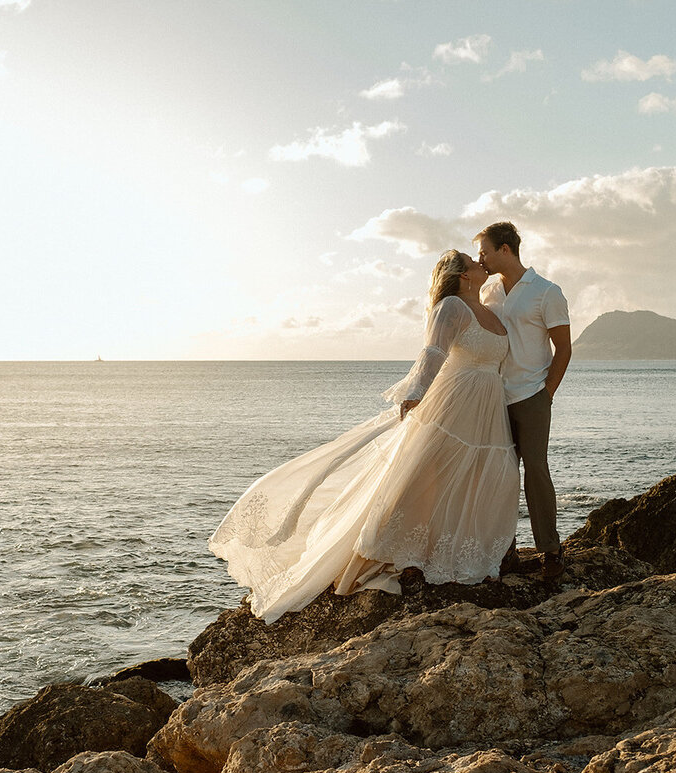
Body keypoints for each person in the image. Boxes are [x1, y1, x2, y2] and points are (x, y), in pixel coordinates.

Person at [210, 250, 519, 623]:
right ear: (461, 275)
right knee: (425, 475)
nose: (480, 264)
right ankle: (396, 553)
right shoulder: (452, 306)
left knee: (483, 475)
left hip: (487, 407)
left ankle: (459, 550)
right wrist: (415, 393)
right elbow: (433, 351)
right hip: (454, 403)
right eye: (473, 261)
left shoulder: (493, 307)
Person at [475, 222, 571, 579]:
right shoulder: (488, 292)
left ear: (505, 249)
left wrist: (546, 393)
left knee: (536, 473)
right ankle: (505, 552)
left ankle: (551, 552)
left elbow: (564, 348)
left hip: (532, 395)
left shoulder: (546, 291)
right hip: (495, 397)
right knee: (500, 477)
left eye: (484, 250)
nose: (479, 258)